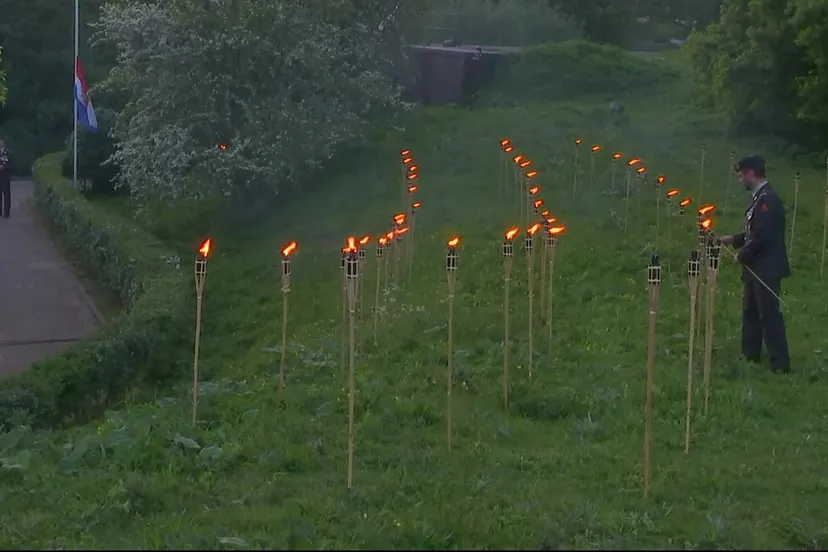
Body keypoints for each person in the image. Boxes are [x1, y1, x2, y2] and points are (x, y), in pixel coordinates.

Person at [719, 154, 791, 374]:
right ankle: (750, 355)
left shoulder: (767, 199)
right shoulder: (758, 198)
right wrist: (734, 239)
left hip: (766, 268)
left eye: (742, 176)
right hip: (755, 267)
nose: (741, 180)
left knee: (768, 315)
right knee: (750, 311)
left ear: (751, 173)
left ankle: (780, 364)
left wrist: (742, 254)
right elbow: (753, 231)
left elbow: (763, 236)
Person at [0, 136, 10, 218]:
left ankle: (6, 212)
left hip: (5, 176)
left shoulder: (8, 153)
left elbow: (10, 164)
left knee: (6, 195)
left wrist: (4, 167)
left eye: (1, 142)